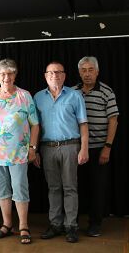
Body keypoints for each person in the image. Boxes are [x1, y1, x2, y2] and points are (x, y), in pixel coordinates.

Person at [0, 59, 39, 244]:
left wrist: (32, 148)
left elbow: (35, 125)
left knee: (20, 189)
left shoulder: (24, 96)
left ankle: (23, 225)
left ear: (15, 75)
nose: (6, 77)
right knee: (2, 190)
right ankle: (7, 224)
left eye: (10, 73)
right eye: (2, 74)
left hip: (19, 153)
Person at [34, 62, 89, 243]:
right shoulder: (38, 97)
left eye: (58, 72)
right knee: (53, 188)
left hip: (70, 147)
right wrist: (35, 151)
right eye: (51, 72)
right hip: (47, 148)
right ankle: (55, 224)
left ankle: (71, 226)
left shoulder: (75, 96)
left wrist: (84, 148)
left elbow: (83, 124)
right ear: (45, 75)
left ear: (64, 76)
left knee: (70, 187)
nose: (54, 75)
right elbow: (33, 127)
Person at [72, 56, 119, 237]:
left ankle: (95, 224)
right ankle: (72, 222)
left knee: (97, 189)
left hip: (99, 148)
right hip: (76, 149)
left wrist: (107, 147)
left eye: (91, 70)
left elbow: (113, 120)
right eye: (84, 70)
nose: (87, 74)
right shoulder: (73, 91)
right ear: (79, 73)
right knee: (74, 187)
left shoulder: (106, 92)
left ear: (97, 72)